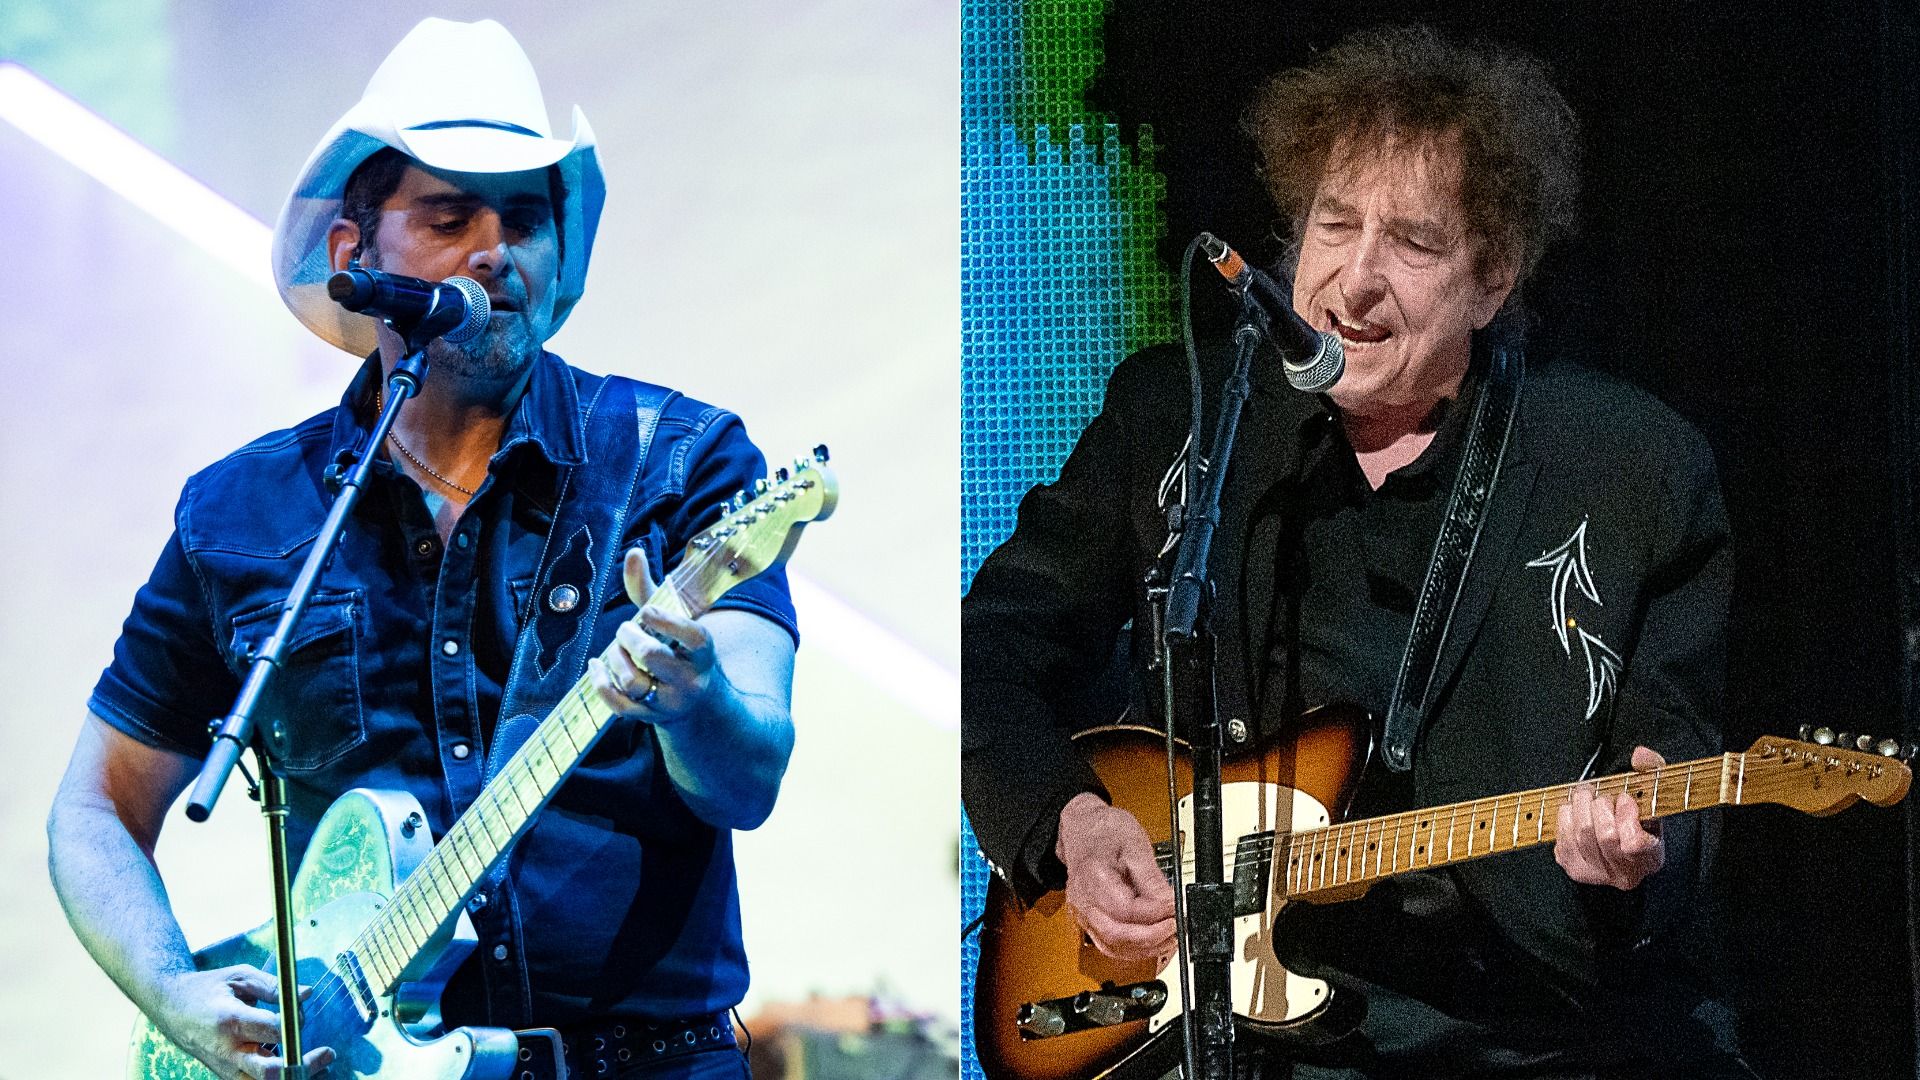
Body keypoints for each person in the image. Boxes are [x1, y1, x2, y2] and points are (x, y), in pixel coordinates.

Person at [962, 25, 1752, 1079]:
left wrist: (1633, 850)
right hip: (1226, 1033)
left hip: (1532, 1034)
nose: (1354, 282)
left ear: (1493, 276)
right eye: (1335, 224)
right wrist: (1070, 821)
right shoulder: (1180, 417)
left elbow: (1673, 761)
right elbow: (991, 652)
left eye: (1415, 244)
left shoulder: (1629, 466)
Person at [46, 19, 796, 1080]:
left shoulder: (680, 464)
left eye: (527, 218)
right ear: (357, 256)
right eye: (449, 216)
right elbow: (95, 806)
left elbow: (748, 779)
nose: (496, 249)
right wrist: (171, 990)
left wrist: (697, 700)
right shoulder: (244, 514)